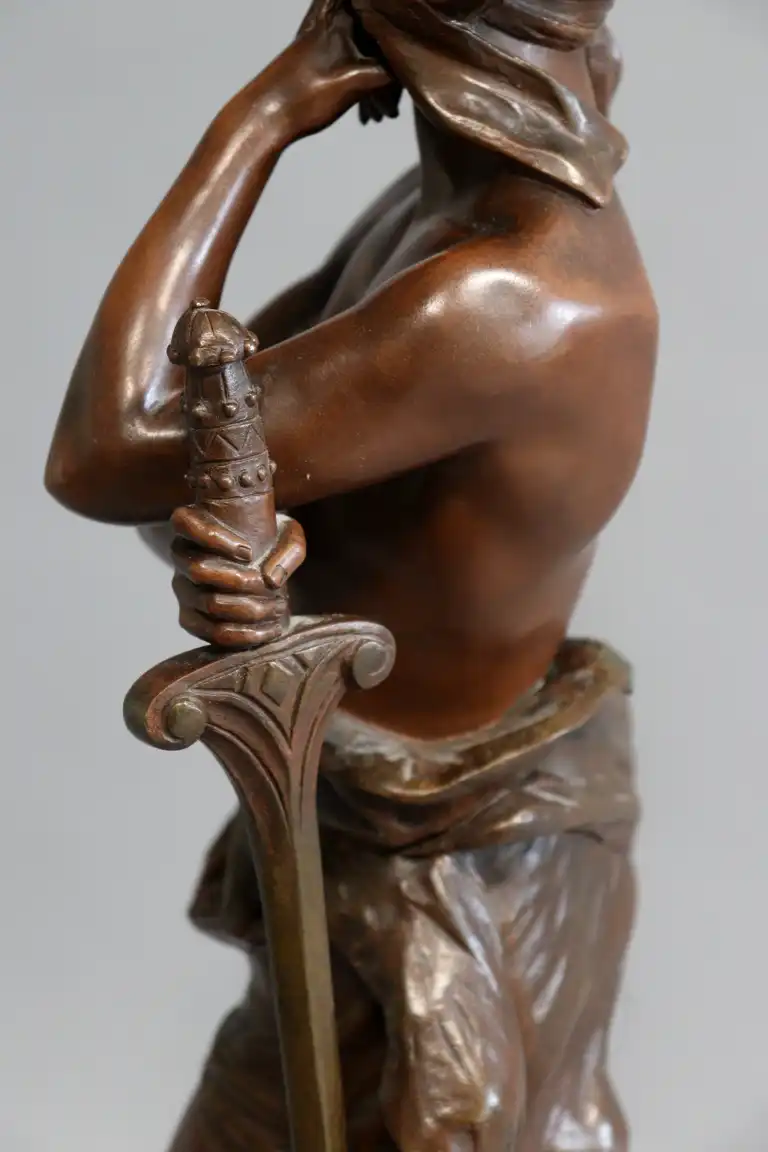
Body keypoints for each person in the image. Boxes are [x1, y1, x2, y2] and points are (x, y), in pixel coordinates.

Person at [46, 2, 658, 1148]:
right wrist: (241, 552)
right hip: (348, 819)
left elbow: (103, 450)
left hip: (455, 860)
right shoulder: (433, 223)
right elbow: (208, 452)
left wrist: (260, 119)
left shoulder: (503, 298)